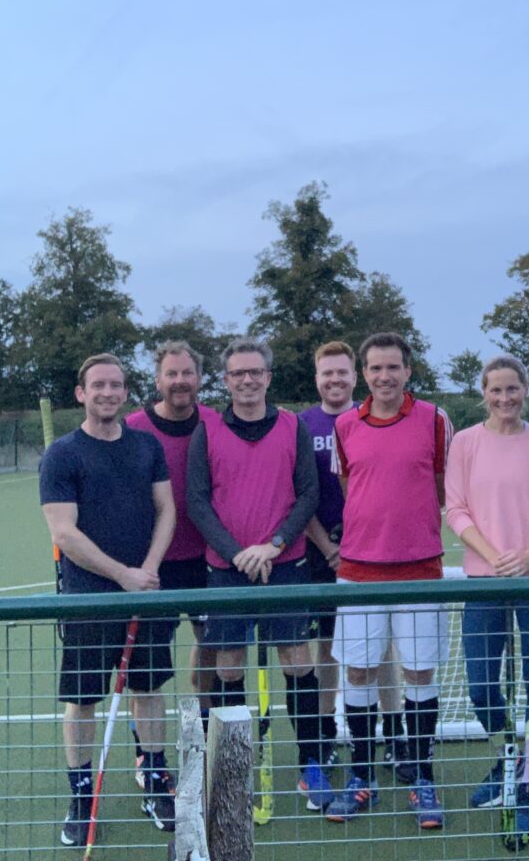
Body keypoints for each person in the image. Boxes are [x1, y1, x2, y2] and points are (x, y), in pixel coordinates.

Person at [186, 338, 330, 810]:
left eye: (255, 372)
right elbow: (198, 501)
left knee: (297, 660)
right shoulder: (207, 431)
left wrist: (273, 545)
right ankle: (230, 767)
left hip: (284, 564)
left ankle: (312, 763)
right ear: (225, 381)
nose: (247, 380)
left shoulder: (292, 427)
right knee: (228, 664)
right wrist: (236, 552)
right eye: (237, 374)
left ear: (268, 377)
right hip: (227, 569)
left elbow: (307, 494)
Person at [39, 353, 177, 848]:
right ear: (81, 393)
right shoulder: (62, 455)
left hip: (143, 590)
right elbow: (64, 531)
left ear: (125, 393)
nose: (107, 393)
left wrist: (150, 569)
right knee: (81, 701)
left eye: (116, 386)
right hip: (89, 599)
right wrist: (122, 576)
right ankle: (82, 800)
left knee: (148, 690)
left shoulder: (146, 447)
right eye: (98, 385)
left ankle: (156, 783)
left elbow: (167, 510)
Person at [327, 332, 453, 829]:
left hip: (421, 568)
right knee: (359, 673)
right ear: (364, 374)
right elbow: (349, 485)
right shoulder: (344, 425)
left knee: (419, 673)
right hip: (358, 570)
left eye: (393, 368)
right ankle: (361, 776)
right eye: (376, 368)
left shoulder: (435, 419)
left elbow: (443, 486)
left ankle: (421, 778)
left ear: (408, 371)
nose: (385, 377)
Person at [445, 354, 529, 839]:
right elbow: (456, 508)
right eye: (496, 390)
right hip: (484, 580)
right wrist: (494, 556)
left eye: (513, 389)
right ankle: (508, 755)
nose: (505, 399)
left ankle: (528, 784)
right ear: (484, 393)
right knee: (481, 685)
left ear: (526, 389)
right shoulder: (466, 442)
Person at [299, 341, 416, 787]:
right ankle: (327, 733)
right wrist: (328, 547)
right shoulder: (302, 425)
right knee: (329, 649)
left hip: (371, 552)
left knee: (382, 646)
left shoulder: (370, 418)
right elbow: (298, 493)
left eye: (342, 373)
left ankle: (394, 732)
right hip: (319, 553)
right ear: (317, 378)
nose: (335, 380)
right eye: (326, 373)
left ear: (356, 375)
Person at [125, 340, 221, 777]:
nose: (180, 381)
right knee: (146, 667)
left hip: (207, 560)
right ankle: (148, 756)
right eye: (171, 374)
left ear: (199, 379)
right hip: (152, 565)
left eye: (188, 373)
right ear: (158, 378)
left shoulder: (217, 423)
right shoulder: (133, 427)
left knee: (212, 650)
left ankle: (200, 735)